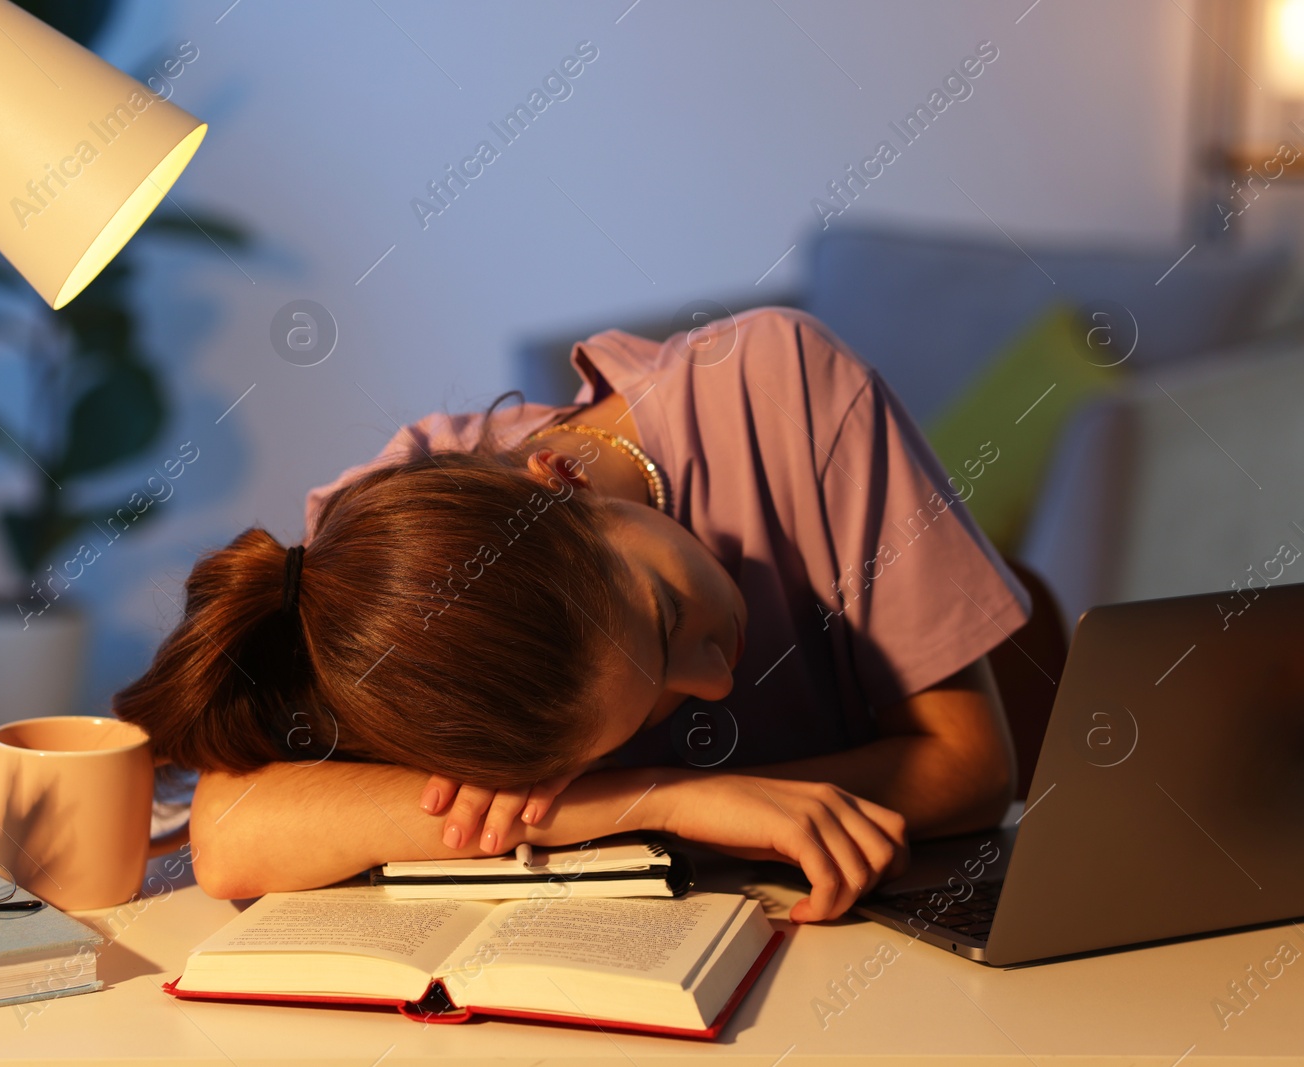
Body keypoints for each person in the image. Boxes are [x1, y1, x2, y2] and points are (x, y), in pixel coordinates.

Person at [112, 306, 1031, 923]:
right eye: (638, 720)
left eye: (668, 618)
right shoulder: (386, 580)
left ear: (563, 480)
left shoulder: (785, 389)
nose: (715, 679)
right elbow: (232, 835)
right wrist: (666, 798)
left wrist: (571, 808)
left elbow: (970, 765)